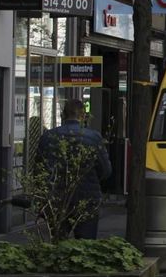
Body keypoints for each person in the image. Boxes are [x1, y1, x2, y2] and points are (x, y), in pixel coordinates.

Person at [37, 99, 112, 239]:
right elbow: (106, 171)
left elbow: (40, 170)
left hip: (57, 198)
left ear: (62, 115)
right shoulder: (94, 137)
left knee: (58, 240)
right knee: (86, 243)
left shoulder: (48, 137)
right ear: (83, 116)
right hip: (87, 197)